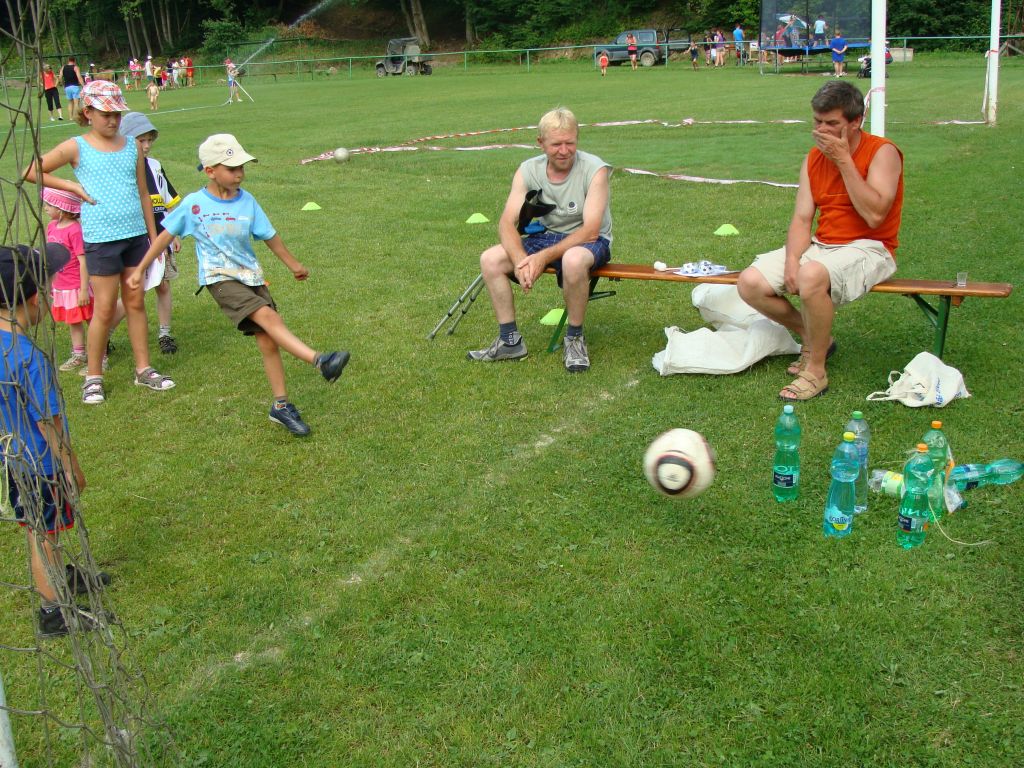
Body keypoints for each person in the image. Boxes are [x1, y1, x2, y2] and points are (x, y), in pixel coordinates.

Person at [127, 134, 350, 436]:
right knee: (268, 318)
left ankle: (281, 406)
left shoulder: (247, 201)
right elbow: (165, 235)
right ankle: (320, 361)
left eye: (242, 167)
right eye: (232, 168)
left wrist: (294, 265)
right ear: (210, 171)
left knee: (268, 339)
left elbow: (269, 236)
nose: (240, 174)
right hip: (219, 278)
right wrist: (141, 268)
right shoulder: (194, 204)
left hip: (251, 276)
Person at [736, 81, 903, 401]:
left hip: (871, 247)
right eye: (817, 122)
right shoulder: (813, 158)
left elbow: (874, 216)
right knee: (749, 282)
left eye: (832, 123)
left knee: (811, 274)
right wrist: (791, 260)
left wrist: (844, 161)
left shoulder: (883, 152)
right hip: (823, 245)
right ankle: (814, 337)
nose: (822, 131)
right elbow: (802, 218)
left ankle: (816, 371)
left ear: (856, 122)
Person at [24, 79, 174, 405]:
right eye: (106, 114)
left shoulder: (132, 146)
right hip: (101, 241)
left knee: (135, 303)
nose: (113, 120)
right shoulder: (76, 146)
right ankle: (93, 377)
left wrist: (153, 239)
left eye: (117, 114)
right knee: (104, 308)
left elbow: (144, 194)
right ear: (88, 112)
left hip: (135, 238)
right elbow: (31, 171)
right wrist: (71, 186)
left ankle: (143, 369)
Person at [1, 243, 110, 638]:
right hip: (42, 465)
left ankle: (59, 574)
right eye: (46, 290)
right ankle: (53, 612)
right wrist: (71, 467)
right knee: (44, 534)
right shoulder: (28, 357)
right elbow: (49, 422)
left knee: (39, 527)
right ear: (33, 299)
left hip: (14, 460)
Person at [467, 107, 612, 373]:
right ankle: (510, 341)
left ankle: (575, 339)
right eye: (556, 144)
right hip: (547, 237)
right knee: (490, 259)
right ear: (540, 143)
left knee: (573, 259)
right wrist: (521, 260)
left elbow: (591, 230)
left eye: (570, 143)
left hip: (589, 241)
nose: (564, 151)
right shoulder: (527, 170)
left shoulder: (595, 170)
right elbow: (506, 222)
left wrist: (542, 257)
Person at [119, 112, 181, 355]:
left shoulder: (155, 166)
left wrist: (174, 233)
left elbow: (167, 201)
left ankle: (165, 334)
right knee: (135, 291)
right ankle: (103, 336)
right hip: (136, 238)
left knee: (163, 285)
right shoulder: (122, 168)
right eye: (140, 140)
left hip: (161, 236)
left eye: (149, 140)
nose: (146, 146)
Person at [42, 188, 92, 372]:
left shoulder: (75, 230)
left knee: (91, 320)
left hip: (77, 286)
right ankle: (79, 354)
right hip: (61, 286)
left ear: (62, 209)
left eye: (49, 204)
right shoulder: (51, 227)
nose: (45, 207)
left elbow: (83, 261)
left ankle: (100, 356)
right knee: (73, 321)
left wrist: (84, 289)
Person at [60, 56, 83, 120]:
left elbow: (60, 77)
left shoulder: (63, 67)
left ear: (68, 60)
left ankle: (70, 117)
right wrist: (83, 85)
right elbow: (79, 77)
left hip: (67, 87)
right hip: (75, 86)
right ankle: (77, 116)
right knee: (76, 103)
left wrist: (62, 84)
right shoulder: (76, 67)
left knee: (70, 102)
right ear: (74, 60)